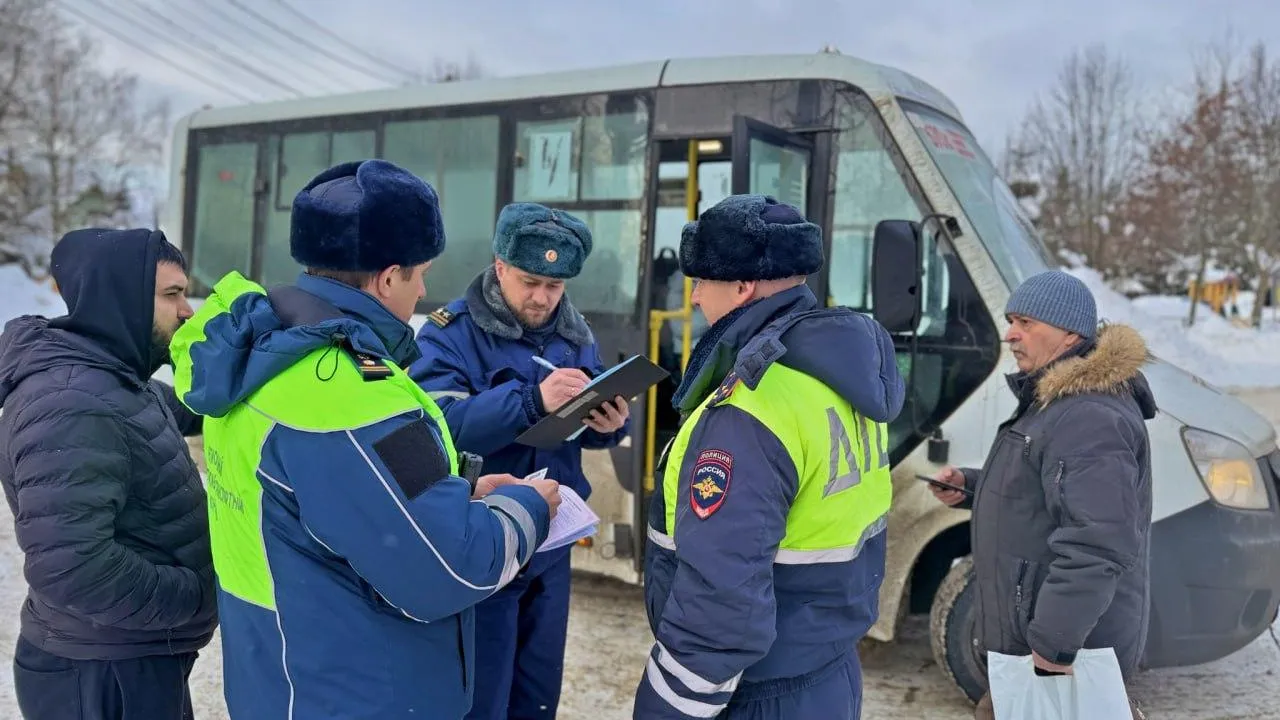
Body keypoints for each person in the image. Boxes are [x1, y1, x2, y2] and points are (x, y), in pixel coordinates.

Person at [168, 159, 562, 720]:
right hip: (355, 689)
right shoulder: (351, 395)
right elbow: (450, 567)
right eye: (420, 273)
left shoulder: (259, 357)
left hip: (279, 674)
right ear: (386, 277)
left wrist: (460, 495)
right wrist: (525, 508)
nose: (425, 289)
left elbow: (330, 507)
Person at [632, 194, 904, 720]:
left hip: (760, 694)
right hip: (829, 671)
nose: (691, 298)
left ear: (741, 286)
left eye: (701, 282)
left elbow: (719, 605)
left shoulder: (752, 406)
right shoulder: (843, 373)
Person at [410, 201, 631, 720]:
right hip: (484, 537)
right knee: (482, 695)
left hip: (552, 540)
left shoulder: (574, 333)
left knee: (536, 691)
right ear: (500, 266)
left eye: (555, 287)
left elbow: (581, 428)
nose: (542, 298)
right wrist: (531, 400)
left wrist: (608, 424)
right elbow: (437, 428)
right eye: (530, 281)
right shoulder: (448, 332)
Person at [0, 228, 216, 719]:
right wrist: (193, 590)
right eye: (172, 294)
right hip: (101, 672)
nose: (188, 310)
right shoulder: (71, 403)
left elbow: (189, 407)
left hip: (127, 653)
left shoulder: (116, 380)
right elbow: (72, 569)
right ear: (120, 300)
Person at [928, 270, 1155, 720]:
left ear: (1069, 333)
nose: (1010, 334)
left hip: (1065, 655)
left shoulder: (1088, 416)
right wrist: (970, 486)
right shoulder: (1057, 402)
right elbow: (1046, 487)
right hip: (1035, 646)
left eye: (1026, 322)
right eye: (1011, 320)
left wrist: (1053, 647)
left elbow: (1097, 542)